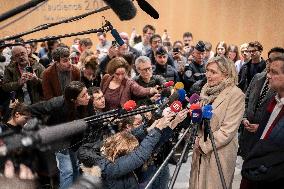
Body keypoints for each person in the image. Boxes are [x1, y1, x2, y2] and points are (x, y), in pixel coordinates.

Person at [189, 56, 245, 189]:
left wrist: (204, 145)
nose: (208, 75)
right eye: (207, 70)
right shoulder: (206, 89)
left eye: (213, 72)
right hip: (200, 148)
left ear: (226, 74)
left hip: (219, 152)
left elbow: (228, 130)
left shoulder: (236, 95)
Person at [240, 55, 284, 189]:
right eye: (269, 71)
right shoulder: (275, 101)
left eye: (274, 73)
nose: (268, 76)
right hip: (257, 169)